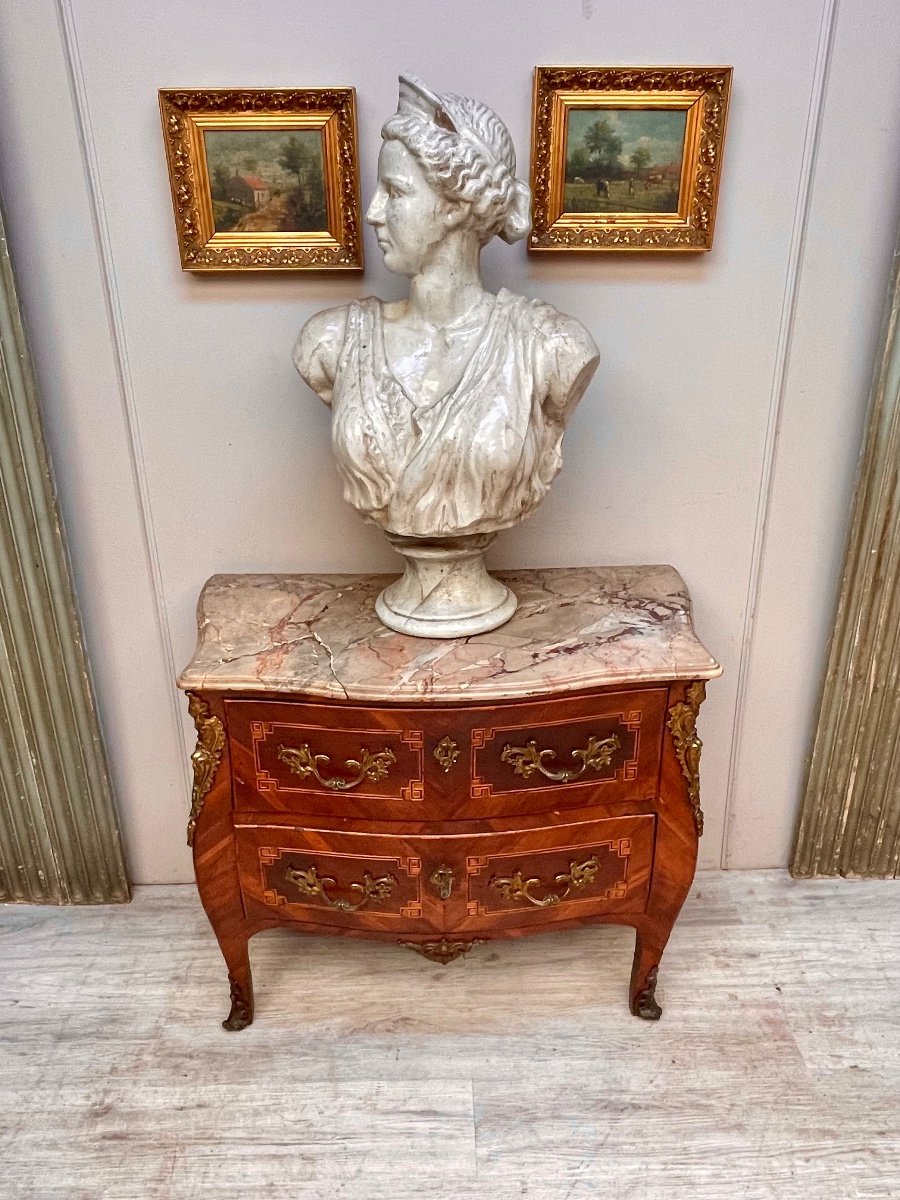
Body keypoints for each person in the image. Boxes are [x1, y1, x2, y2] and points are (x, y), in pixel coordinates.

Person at [293, 75, 599, 540]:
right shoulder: (332, 341)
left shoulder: (551, 347)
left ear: (455, 206)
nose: (374, 212)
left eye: (394, 192)